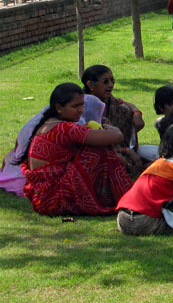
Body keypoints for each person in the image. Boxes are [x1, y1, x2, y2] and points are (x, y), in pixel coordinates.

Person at [17, 83, 131, 216]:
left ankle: (117, 196)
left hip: (40, 197)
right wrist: (112, 128)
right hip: (53, 198)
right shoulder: (64, 128)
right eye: (75, 106)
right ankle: (125, 197)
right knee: (99, 152)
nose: (81, 110)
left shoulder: (47, 124)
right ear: (59, 107)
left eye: (82, 105)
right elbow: (116, 137)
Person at [81, 64, 146, 176]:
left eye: (112, 80)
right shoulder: (84, 107)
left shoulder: (110, 100)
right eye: (105, 81)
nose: (111, 85)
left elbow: (124, 103)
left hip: (119, 150)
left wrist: (136, 113)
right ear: (91, 85)